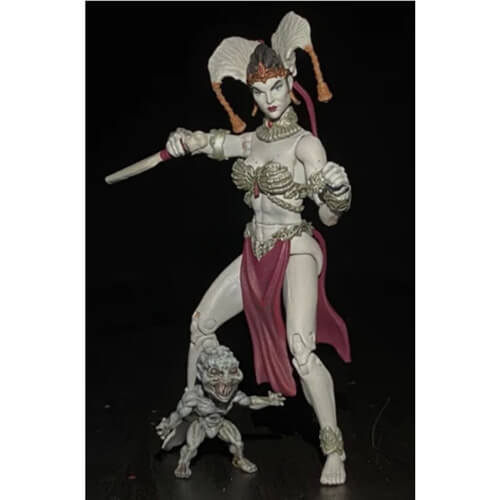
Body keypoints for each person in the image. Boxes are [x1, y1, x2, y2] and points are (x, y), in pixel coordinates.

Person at [165, 12, 352, 485]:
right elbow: (217, 144)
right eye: (259, 91)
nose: (269, 99)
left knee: (302, 350)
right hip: (257, 250)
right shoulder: (253, 141)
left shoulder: (306, 146)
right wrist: (186, 140)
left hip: (296, 249)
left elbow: (329, 217)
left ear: (291, 81)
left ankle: (333, 447)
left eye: (276, 87)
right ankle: (194, 413)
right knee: (200, 324)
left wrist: (338, 192)